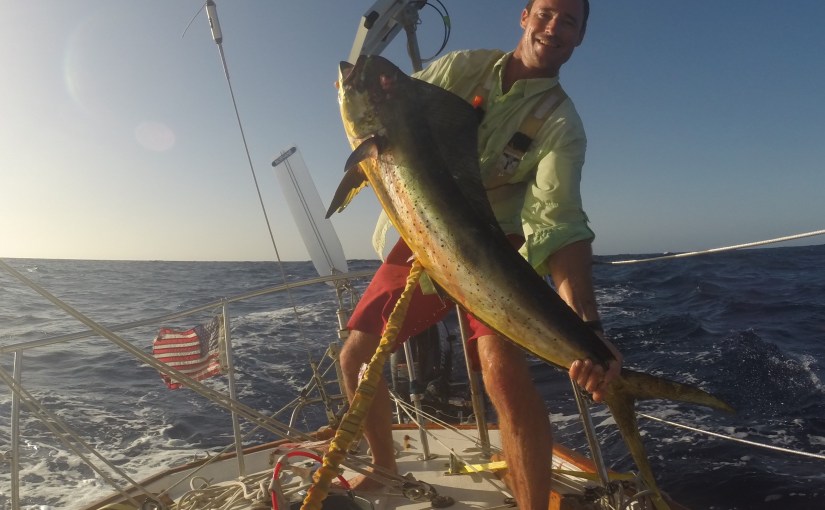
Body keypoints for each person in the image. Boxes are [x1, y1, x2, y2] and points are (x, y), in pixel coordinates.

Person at [338, 0, 622, 508]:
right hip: (422, 233)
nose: (553, 27)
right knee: (355, 356)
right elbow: (403, 108)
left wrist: (590, 328)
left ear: (580, 37)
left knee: (503, 376)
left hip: (497, 247)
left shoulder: (561, 122)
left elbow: (558, 223)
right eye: (546, 13)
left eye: (569, 21)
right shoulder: (462, 67)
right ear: (524, 16)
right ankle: (383, 469)